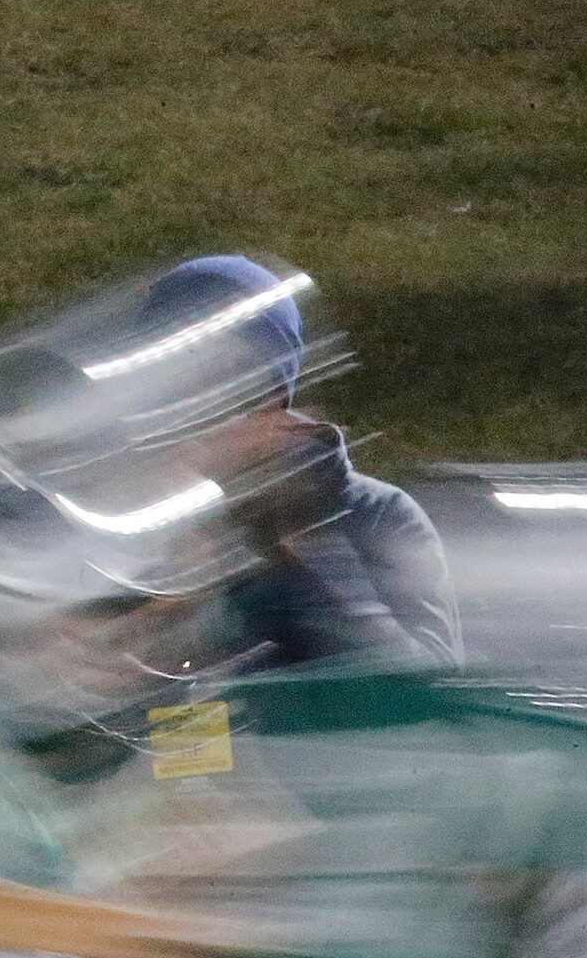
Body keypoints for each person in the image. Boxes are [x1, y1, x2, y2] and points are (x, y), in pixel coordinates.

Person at [141, 254, 459, 663]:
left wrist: (294, 551)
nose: (194, 402)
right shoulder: (116, 516)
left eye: (222, 376)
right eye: (171, 377)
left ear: (276, 398)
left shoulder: (375, 515)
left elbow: (427, 686)